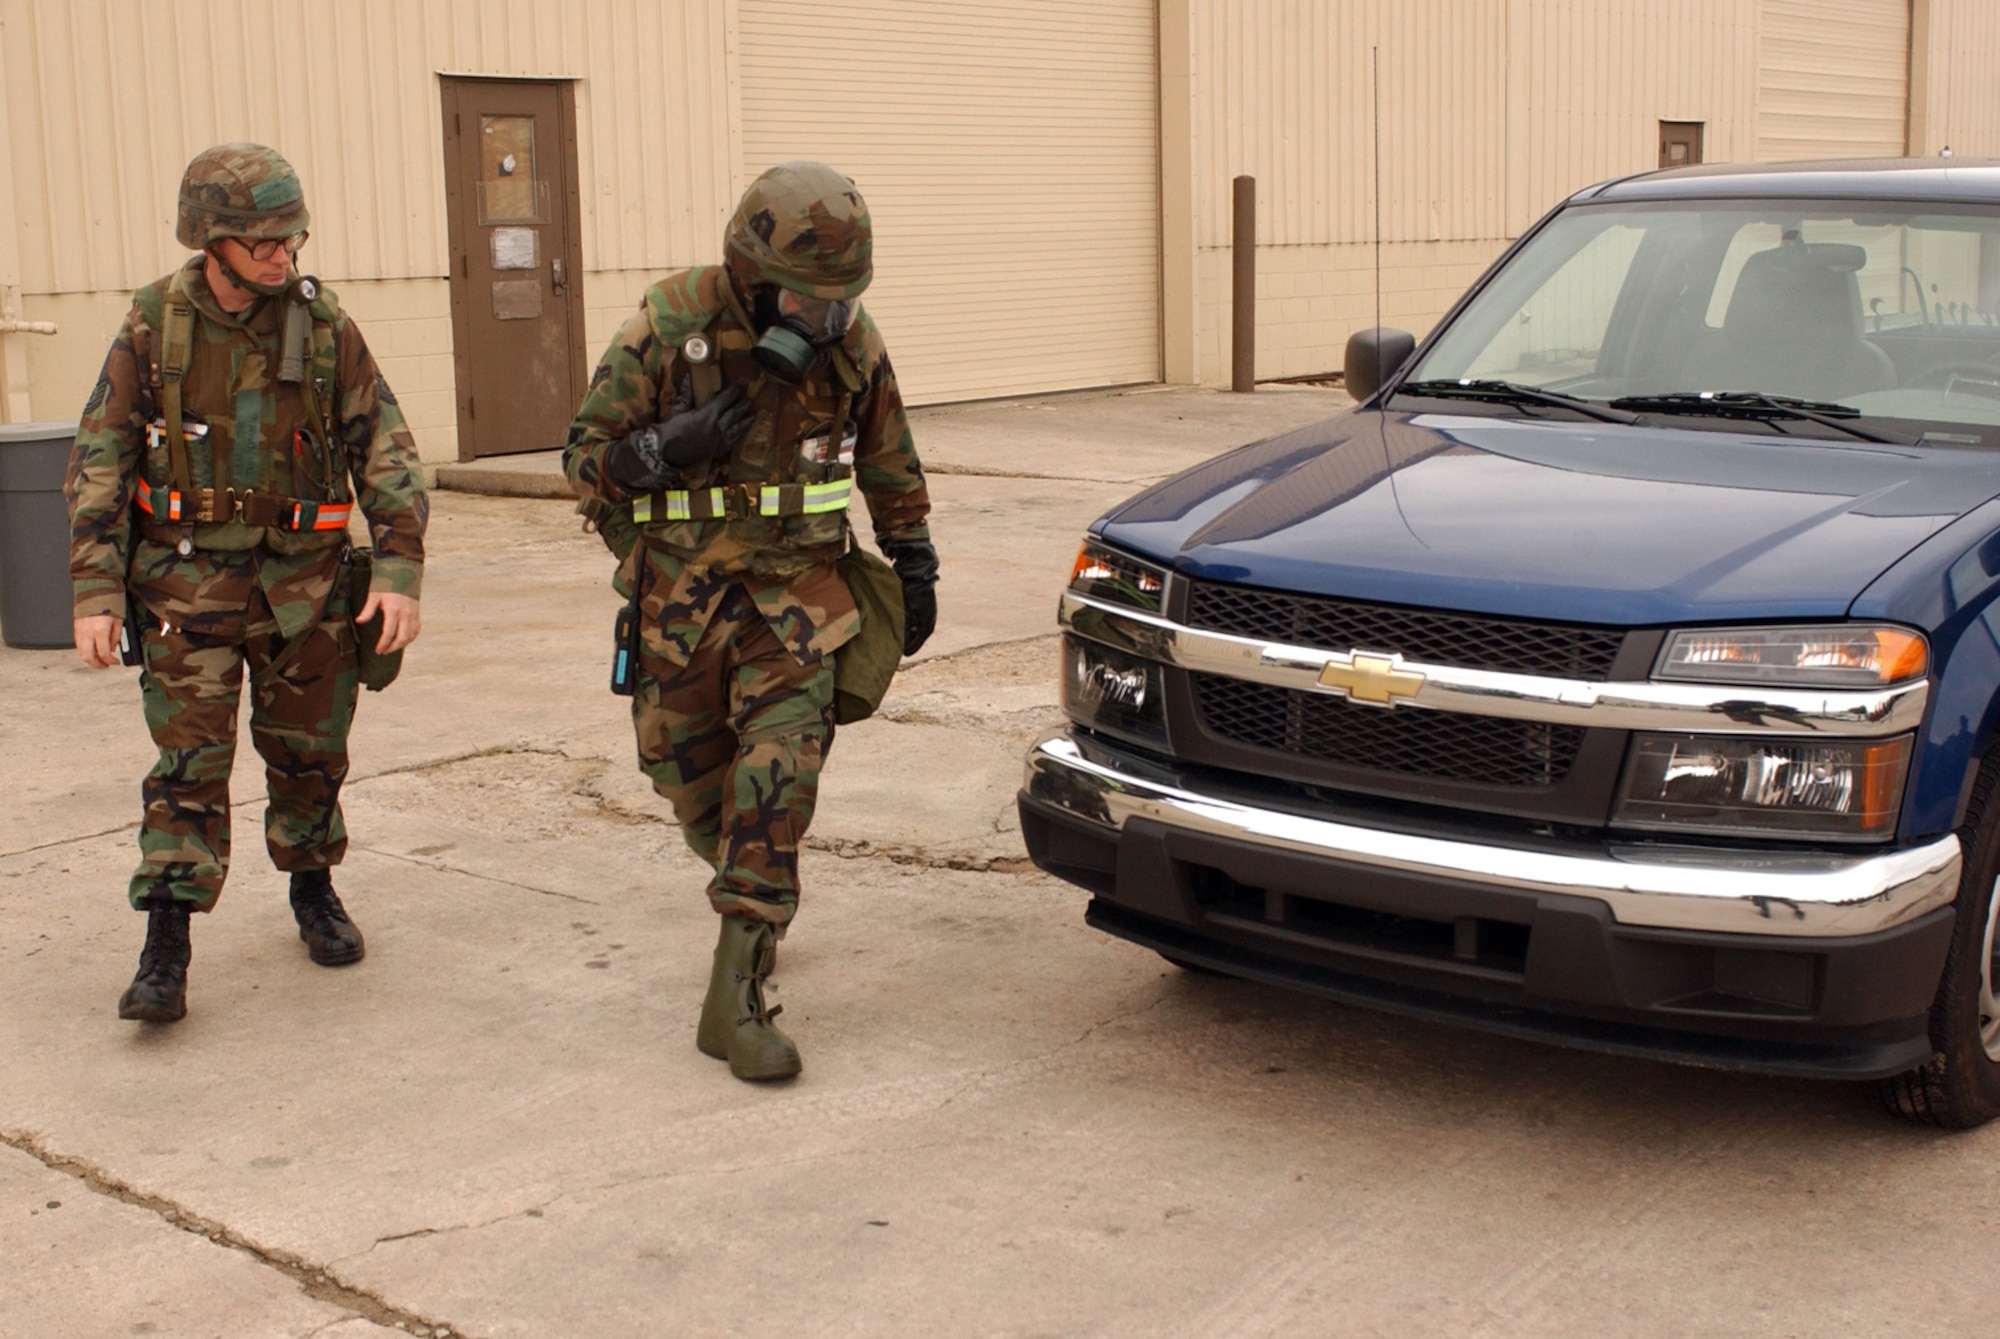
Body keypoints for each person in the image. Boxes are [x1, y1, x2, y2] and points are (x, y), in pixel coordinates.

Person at [564, 161, 938, 1082]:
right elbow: (582, 461)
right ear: (750, 272)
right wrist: (660, 450)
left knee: (777, 779)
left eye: (841, 302)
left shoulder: (853, 343)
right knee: (694, 788)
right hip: (681, 605)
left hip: (799, 602)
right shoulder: (668, 324)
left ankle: (736, 995)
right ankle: (745, 877)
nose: (825, 320)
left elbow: (889, 457)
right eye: (807, 302)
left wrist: (914, 555)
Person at [66, 143, 428, 1023]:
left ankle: (312, 887)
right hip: (184, 588)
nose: (283, 254)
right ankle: (166, 942)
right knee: (188, 765)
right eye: (263, 240)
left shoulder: (325, 323)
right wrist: (95, 590)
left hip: (304, 586)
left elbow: (386, 444)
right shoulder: (155, 322)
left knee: (310, 754)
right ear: (212, 240)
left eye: (291, 236)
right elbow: (100, 457)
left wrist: (401, 566)